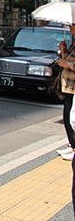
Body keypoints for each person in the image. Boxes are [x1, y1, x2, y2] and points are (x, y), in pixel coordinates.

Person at [56, 24, 75, 161]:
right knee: (67, 117)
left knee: (72, 118)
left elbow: (70, 64)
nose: (70, 28)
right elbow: (68, 60)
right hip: (68, 86)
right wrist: (64, 51)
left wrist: (67, 64)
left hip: (73, 86)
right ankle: (71, 144)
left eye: (72, 26)